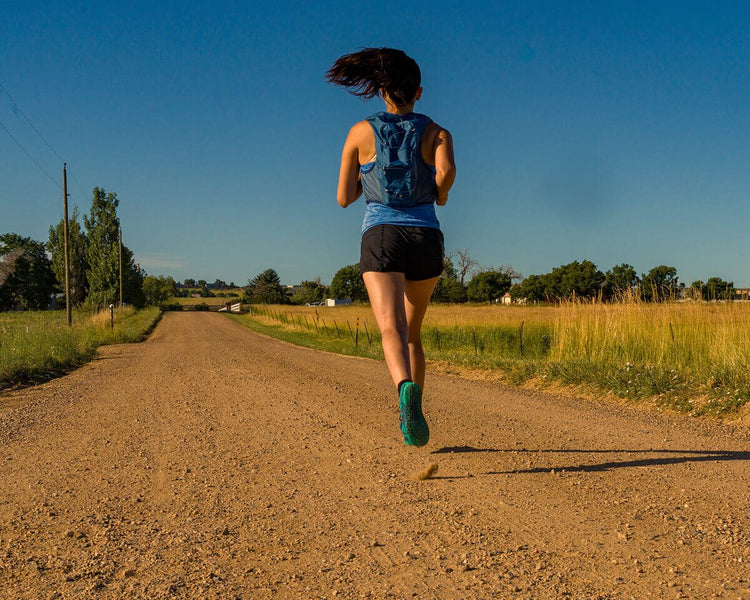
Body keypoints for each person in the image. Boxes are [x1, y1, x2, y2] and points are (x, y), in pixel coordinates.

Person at [326, 48, 456, 447]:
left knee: (390, 327)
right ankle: (416, 397)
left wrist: (367, 180)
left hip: (381, 234)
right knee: (413, 331)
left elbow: (343, 198)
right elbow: (446, 172)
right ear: (419, 91)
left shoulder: (359, 132)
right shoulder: (437, 132)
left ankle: (403, 388)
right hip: (425, 238)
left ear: (382, 92)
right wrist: (441, 193)